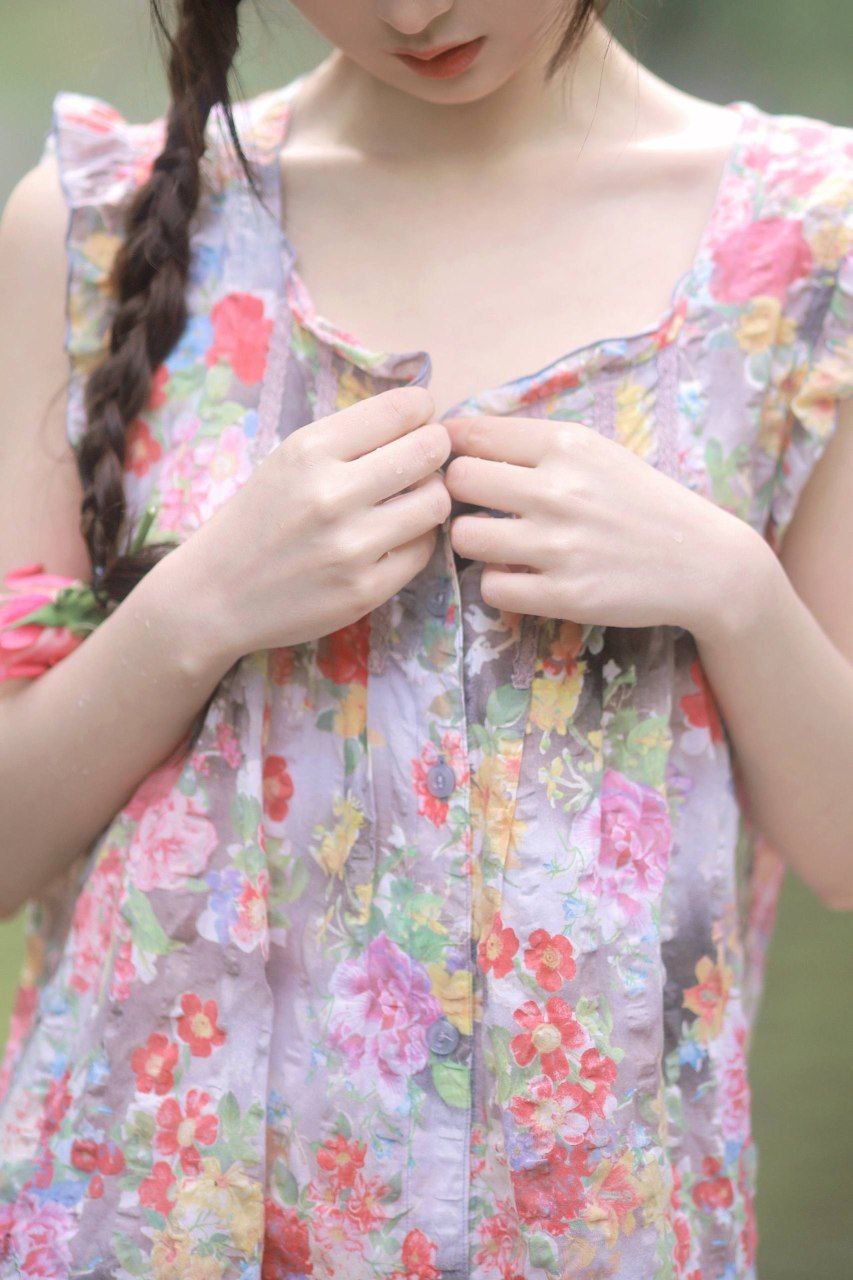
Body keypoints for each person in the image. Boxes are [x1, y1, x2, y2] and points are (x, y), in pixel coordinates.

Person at [0, 1, 850, 1276]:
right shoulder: (94, 223)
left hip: (591, 1236)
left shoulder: (806, 239)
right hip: (136, 1228)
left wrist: (732, 588)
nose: (412, 9)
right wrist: (197, 607)